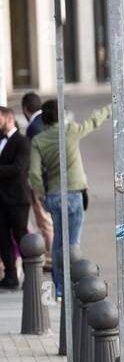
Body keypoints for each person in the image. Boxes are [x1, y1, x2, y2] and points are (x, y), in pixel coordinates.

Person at [28, 100, 111, 298]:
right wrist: (109, 109)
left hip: (54, 195)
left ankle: (58, 286)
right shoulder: (71, 131)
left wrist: (42, 196)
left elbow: (34, 174)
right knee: (73, 243)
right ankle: (72, 283)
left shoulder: (38, 141)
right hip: (74, 193)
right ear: (62, 115)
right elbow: (92, 122)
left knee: (58, 242)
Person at [19, 92, 53, 271]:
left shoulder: (33, 128)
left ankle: (50, 257)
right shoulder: (44, 121)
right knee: (47, 220)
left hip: (41, 182)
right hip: (50, 179)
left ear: (26, 109)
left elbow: (33, 161)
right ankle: (51, 254)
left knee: (44, 220)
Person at [0, 107, 32, 289]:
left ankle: (31, 277)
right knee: (2, 238)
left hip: (18, 199)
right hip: (1, 200)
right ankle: (10, 277)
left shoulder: (22, 142)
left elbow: (18, 169)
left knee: (21, 238)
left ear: (9, 118)